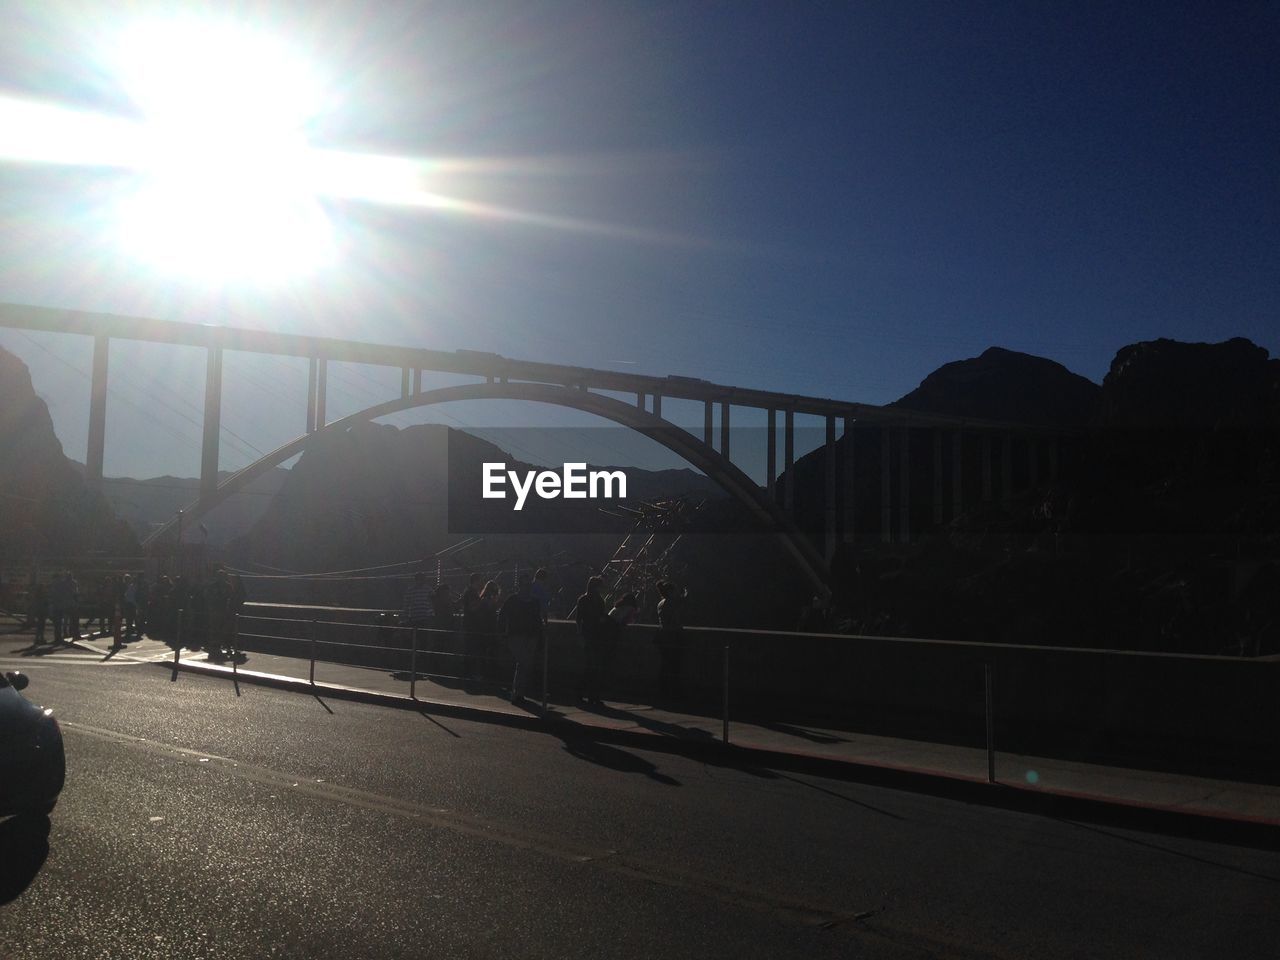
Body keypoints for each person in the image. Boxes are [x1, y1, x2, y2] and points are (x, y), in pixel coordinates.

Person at [498, 575, 544, 705]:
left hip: (530, 636)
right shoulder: (513, 600)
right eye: (525, 585)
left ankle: (519, 693)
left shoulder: (533, 601)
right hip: (516, 636)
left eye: (528, 586)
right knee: (524, 662)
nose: (526, 588)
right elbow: (502, 616)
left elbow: (537, 621)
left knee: (524, 664)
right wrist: (502, 633)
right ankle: (518, 693)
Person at [575, 577, 608, 705]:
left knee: (591, 666)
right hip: (593, 635)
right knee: (593, 666)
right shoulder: (598, 600)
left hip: (590, 635)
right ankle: (592, 695)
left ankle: (584, 693)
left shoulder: (584, 599)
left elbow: (579, 619)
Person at [655, 581, 688, 703]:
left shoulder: (661, 603)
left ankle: (664, 691)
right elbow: (683, 600)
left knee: (666, 664)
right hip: (673, 635)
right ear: (670, 591)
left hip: (663, 636)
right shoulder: (671, 603)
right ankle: (672, 692)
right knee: (674, 665)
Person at [460, 573, 485, 680]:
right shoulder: (472, 593)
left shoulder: (468, 591)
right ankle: (473, 673)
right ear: (476, 581)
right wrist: (482, 602)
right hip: (472, 625)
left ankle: (468, 673)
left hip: (469, 624)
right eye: (479, 581)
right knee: (474, 650)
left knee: (470, 649)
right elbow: (472, 608)